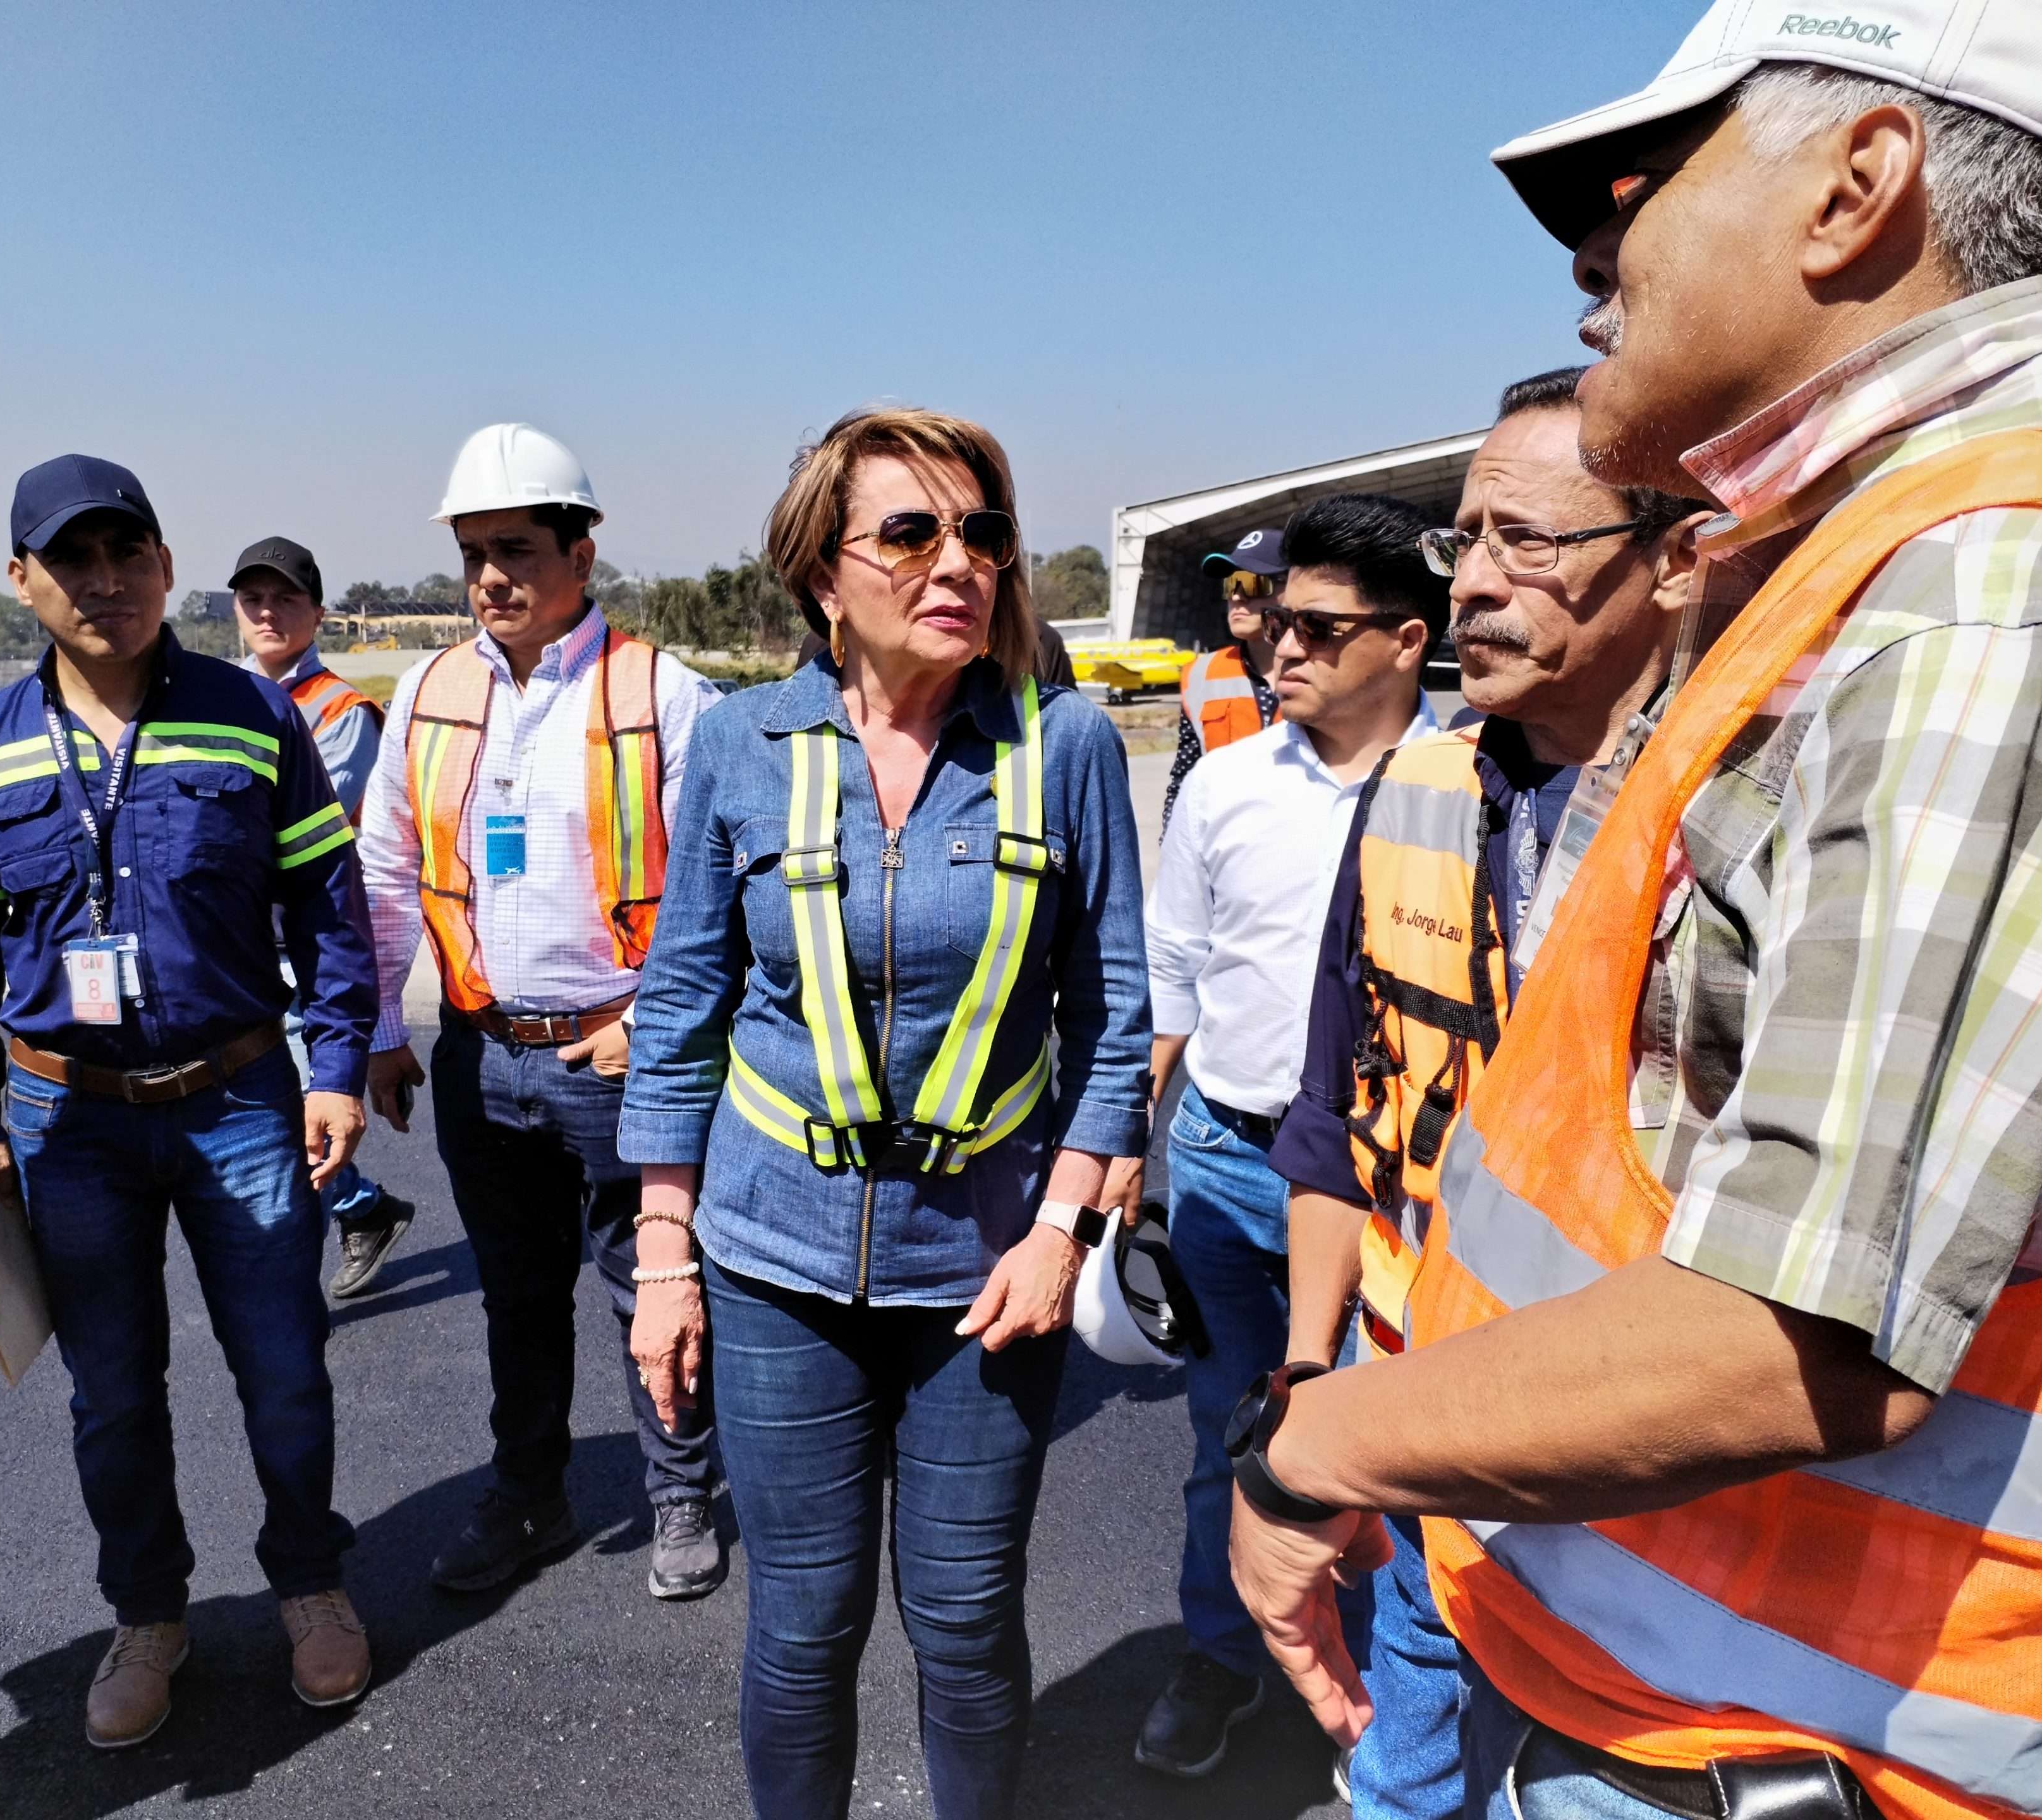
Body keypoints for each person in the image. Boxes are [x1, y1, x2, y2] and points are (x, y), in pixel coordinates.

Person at [1228, 6, 2042, 1819]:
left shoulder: (1982, 602)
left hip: (1795, 1754)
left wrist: (1318, 1447)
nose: (1591, 260)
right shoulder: (1877, 570)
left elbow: (1808, 1328)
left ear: (1860, 191)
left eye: (1645, 185)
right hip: (1660, 1692)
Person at [617, 406, 1151, 1820]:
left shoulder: (1069, 746)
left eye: (981, 533)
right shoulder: (741, 744)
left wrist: (1062, 1233)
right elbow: (679, 1011)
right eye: (910, 532)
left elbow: (1113, 1022)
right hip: (772, 1254)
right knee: (804, 1622)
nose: (957, 561)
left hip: (989, 1265)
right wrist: (663, 1263)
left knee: (967, 1619)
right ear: (822, 574)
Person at [1264, 375, 1708, 1820]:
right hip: (1430, 1438)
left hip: (1668, 1473)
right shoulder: (1415, 786)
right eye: (1464, 542)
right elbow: (1338, 1111)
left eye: (1526, 539)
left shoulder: (1749, 807)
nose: (1472, 585)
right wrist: (1311, 1375)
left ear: (1673, 553)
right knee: (1404, 1780)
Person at [0, 455, 378, 1747]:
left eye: (130, 554)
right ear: (22, 581)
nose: (108, 582)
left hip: (237, 1098)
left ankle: (310, 1578)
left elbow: (326, 907)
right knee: (113, 1391)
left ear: (167, 566)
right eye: (75, 560)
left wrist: (336, 1063)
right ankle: (150, 1612)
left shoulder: (252, 716)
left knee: (283, 1366)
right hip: (66, 1122)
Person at [355, 423, 727, 1602]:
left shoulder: (666, 694)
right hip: (479, 1055)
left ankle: (678, 1492)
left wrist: (657, 1025)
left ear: (584, 549)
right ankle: (532, 1495)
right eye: (473, 554)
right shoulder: (427, 689)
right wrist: (376, 1032)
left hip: (620, 1055)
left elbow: (721, 898)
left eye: (515, 548)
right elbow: (384, 868)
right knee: (518, 1299)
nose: (490, 578)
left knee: (650, 1281)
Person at [1125, 495, 1443, 1781]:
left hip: (1386, 1197)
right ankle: (1223, 1654)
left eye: (1317, 626)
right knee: (1232, 1439)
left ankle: (1384, 1696)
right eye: (1273, 621)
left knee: (1395, 1459)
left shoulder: (1465, 789)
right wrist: (1138, 1160)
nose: (1278, 646)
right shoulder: (1227, 785)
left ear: (1407, 640)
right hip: (1219, 1157)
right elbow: (1175, 972)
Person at [228, 535, 418, 1299]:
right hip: (237, 951)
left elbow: (284, 828)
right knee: (259, 1119)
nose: (268, 613)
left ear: (318, 612)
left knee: (290, 1121)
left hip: (307, 954)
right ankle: (363, 1210)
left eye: (286, 599)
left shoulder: (342, 714)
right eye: (253, 599)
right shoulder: (214, 695)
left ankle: (288, 1295)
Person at [1162, 529, 1285, 828]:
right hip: (1223, 853)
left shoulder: (1331, 671)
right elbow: (1185, 777)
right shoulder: (1201, 674)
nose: (1236, 597)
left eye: (1252, 583)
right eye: (1231, 585)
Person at [794, 614, 1079, 687]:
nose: (955, 564)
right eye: (908, 539)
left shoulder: (1037, 645)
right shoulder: (825, 648)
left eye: (981, 535)